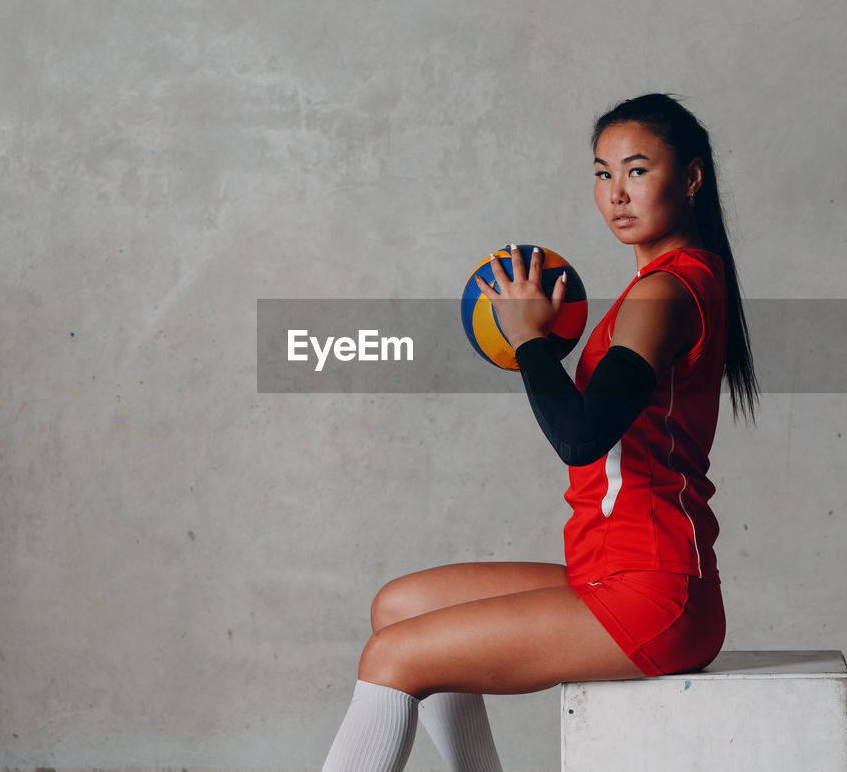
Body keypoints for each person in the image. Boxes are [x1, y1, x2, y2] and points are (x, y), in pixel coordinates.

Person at [322, 94, 759, 771]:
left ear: (692, 177)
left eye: (637, 170)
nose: (616, 192)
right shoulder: (669, 283)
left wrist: (528, 341)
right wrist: (539, 347)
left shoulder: (664, 292)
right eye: (601, 172)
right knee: (398, 607)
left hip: (653, 591)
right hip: (609, 568)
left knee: (392, 657)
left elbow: (580, 437)